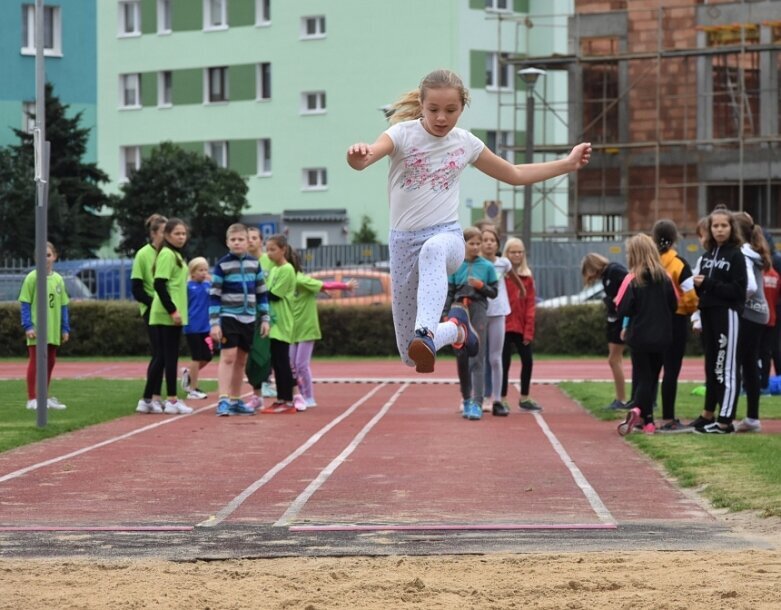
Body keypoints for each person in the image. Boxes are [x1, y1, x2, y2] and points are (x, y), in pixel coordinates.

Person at [346, 68, 591, 374]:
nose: (441, 118)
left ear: (462, 107)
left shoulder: (466, 143)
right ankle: (457, 328)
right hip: (402, 244)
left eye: (451, 110)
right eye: (433, 110)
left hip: (445, 237)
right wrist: (359, 155)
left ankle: (426, 331)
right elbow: (367, 157)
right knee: (410, 355)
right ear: (421, 105)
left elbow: (513, 174)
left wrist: (566, 164)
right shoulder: (402, 134)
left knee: (432, 252)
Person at [689, 208, 747, 434]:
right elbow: (702, 288)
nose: (720, 230)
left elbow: (739, 290)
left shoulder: (736, 255)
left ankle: (725, 421)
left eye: (724, 225)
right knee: (712, 366)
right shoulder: (705, 256)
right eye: (715, 226)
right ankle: (709, 414)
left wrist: (709, 284)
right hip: (708, 314)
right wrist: (697, 285)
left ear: (731, 228)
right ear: (709, 229)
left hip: (728, 314)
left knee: (727, 367)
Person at [615, 234, 678, 436]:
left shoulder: (632, 278)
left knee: (643, 377)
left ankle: (639, 410)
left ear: (634, 254)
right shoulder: (665, 277)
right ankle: (648, 422)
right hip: (662, 336)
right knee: (653, 377)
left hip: (639, 335)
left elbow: (622, 307)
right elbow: (674, 304)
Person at [209, 223, 270, 416]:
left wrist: (265, 319)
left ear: (247, 241)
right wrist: (215, 323)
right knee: (228, 357)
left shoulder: (255, 264)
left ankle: (235, 400)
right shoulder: (222, 265)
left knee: (241, 360)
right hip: (229, 316)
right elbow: (214, 295)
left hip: (249, 318)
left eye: (241, 239)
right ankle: (223, 400)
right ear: (227, 243)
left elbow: (262, 293)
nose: (237, 243)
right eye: (233, 240)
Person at [138, 218, 193, 415]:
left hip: (169, 312)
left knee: (163, 356)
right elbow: (159, 284)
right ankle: (171, 400)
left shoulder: (175, 255)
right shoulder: (168, 254)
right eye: (177, 233)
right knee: (169, 357)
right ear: (167, 235)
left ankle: (146, 399)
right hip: (166, 313)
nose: (181, 237)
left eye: (183, 233)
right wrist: (173, 310)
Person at [289, 254, 356, 409]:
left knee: (301, 365)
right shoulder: (286, 281)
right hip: (292, 329)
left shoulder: (300, 279)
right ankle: (297, 395)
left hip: (306, 327)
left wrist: (345, 286)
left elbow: (325, 284)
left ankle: (309, 397)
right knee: (290, 365)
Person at [444, 227, 497, 420]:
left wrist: (481, 286)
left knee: (477, 356)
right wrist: (444, 314)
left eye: (478, 243)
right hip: (458, 310)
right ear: (463, 244)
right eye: (471, 243)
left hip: (478, 310)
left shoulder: (487, 267)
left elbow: (494, 293)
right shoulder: (455, 266)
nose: (475, 247)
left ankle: (477, 402)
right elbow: (449, 292)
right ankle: (466, 399)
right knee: (461, 355)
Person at [651, 219, 699, 433]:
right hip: (675, 320)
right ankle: (668, 418)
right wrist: (688, 311)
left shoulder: (649, 262)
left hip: (652, 321)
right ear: (674, 239)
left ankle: (646, 416)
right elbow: (690, 296)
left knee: (651, 370)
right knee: (671, 371)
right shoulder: (679, 264)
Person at [19, 241, 70, 411]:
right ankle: (32, 398)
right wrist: (28, 326)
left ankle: (44, 396)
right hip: (37, 331)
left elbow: (63, 306)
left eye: (48, 255)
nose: (45, 259)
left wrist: (65, 328)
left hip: (53, 331)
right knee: (36, 362)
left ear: (54, 257)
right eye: (41, 256)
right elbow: (25, 303)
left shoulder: (58, 280)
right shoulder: (32, 278)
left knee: (50, 362)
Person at [733, 212, 770, 433]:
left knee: (736, 364)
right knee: (748, 365)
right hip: (759, 312)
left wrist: (736, 301)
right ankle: (752, 418)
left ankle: (727, 416)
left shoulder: (742, 254)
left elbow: (750, 287)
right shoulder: (753, 251)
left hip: (749, 313)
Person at [581, 252, 628, 409]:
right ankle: (620, 398)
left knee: (614, 359)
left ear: (592, 267)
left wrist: (616, 301)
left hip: (620, 320)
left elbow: (629, 286)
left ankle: (621, 399)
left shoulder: (614, 271)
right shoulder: (606, 275)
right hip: (613, 319)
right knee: (615, 360)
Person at [479, 226, 518, 416]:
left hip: (498, 313)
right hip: (478, 313)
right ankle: (474, 398)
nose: (488, 243)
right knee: (476, 356)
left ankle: (497, 400)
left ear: (497, 244)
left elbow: (514, 278)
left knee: (495, 358)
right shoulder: (473, 263)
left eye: (492, 240)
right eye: (484, 240)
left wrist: (522, 290)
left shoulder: (503, 263)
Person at [501, 236, 541, 414]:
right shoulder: (500, 275)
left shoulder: (527, 277)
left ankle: (525, 397)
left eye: (519, 252)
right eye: (513, 251)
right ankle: (500, 398)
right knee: (503, 363)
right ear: (506, 253)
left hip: (521, 327)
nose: (516, 255)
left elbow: (530, 305)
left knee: (528, 361)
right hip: (503, 326)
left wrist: (528, 331)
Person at [259, 234, 298, 414]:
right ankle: (281, 398)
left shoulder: (287, 269)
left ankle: (288, 400)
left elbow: (274, 294)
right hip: (273, 322)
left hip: (282, 321)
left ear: (283, 249)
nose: (269, 253)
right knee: (276, 361)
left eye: (273, 249)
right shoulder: (274, 269)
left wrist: (255, 292)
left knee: (282, 362)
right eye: (267, 250)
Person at [132, 213, 167, 414]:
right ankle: (147, 397)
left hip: (168, 310)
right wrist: (155, 304)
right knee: (159, 353)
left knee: (165, 355)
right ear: (154, 233)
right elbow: (136, 289)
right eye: (164, 231)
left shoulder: (169, 254)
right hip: (152, 311)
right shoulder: (143, 254)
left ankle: (155, 397)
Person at [245, 226, 276, 409]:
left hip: (267, 314)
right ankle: (256, 394)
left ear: (260, 241)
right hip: (246, 313)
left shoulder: (269, 262)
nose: (250, 241)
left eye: (254, 238)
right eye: (247, 238)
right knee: (248, 358)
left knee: (266, 354)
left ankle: (291, 391)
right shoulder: (243, 262)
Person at [181, 257, 213, 401]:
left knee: (207, 356)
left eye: (206, 269)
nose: (204, 273)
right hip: (192, 327)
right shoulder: (188, 287)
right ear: (192, 273)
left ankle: (189, 373)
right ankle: (192, 389)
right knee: (196, 356)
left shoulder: (208, 286)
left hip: (206, 327)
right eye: (200, 270)